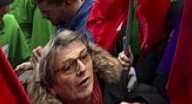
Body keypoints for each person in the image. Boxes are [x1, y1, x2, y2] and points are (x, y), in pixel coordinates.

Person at [18, 29, 166, 104]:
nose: (82, 68)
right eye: (69, 66)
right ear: (51, 85)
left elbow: (158, 99)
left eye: (84, 57)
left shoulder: (117, 80)